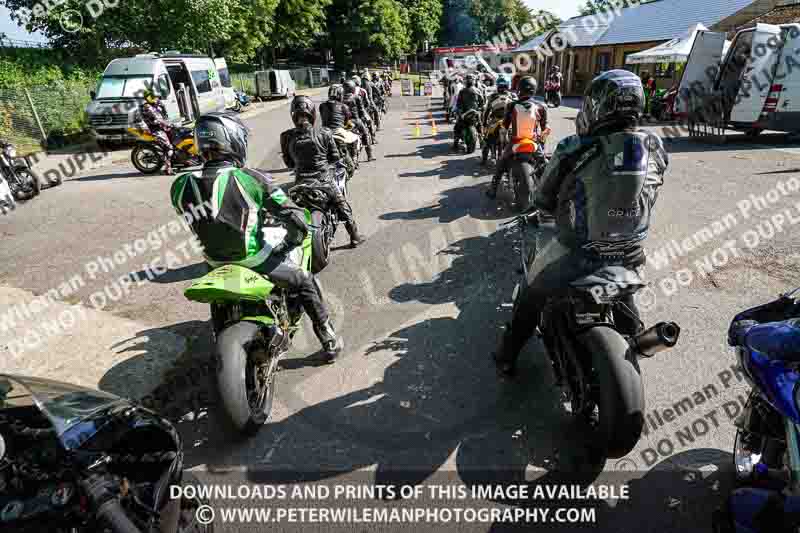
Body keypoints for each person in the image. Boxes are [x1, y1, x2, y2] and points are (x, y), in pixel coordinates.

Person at [492, 70, 669, 377]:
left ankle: (507, 356)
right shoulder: (655, 146)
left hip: (577, 252)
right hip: (630, 251)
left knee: (531, 293)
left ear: (596, 107)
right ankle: (633, 338)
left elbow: (542, 197)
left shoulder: (574, 147)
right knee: (624, 292)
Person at [170, 112, 344, 361]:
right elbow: (295, 218)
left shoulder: (179, 185)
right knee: (304, 280)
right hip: (255, 259)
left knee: (218, 299)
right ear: (233, 141)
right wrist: (291, 241)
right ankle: (328, 337)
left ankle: (220, 334)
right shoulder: (250, 178)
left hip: (213, 263)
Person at [280, 96, 366, 248]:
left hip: (300, 182)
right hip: (323, 180)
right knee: (342, 205)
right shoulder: (325, 132)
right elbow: (334, 157)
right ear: (313, 113)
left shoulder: (286, 136)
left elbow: (289, 163)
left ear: (293, 114)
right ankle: (354, 236)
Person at [486, 76, 548, 198]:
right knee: (544, 166)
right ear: (534, 90)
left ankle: (493, 190)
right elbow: (545, 129)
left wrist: (503, 141)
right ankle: (548, 193)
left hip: (515, 142)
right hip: (533, 143)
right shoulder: (541, 107)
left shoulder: (512, 105)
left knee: (501, 164)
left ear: (519, 89)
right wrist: (541, 143)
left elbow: (504, 127)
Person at [320, 84, 359, 175]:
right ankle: (353, 160)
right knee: (355, 138)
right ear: (340, 95)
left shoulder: (322, 106)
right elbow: (347, 122)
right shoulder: (343, 106)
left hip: (324, 132)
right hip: (338, 131)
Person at [141, 88, 175, 175]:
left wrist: (161, 105)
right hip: (155, 130)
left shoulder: (156, 104)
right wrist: (167, 124)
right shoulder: (147, 107)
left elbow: (165, 115)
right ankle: (168, 169)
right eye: (152, 96)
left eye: (155, 96)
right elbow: (158, 118)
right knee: (169, 147)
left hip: (163, 127)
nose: (156, 98)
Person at [343, 80, 376, 161]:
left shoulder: (341, 98)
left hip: (345, 122)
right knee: (365, 134)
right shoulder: (356, 97)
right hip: (355, 121)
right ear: (353, 88)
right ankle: (369, 155)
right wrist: (367, 119)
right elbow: (361, 110)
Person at [452, 74, 485, 151]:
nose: (469, 81)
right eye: (469, 79)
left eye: (469, 79)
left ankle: (456, 143)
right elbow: (482, 102)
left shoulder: (463, 91)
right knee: (480, 125)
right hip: (474, 113)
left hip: (467, 113)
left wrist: (459, 111)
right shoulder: (477, 90)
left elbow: (459, 103)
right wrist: (480, 109)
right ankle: (481, 141)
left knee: (458, 127)